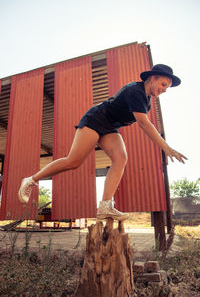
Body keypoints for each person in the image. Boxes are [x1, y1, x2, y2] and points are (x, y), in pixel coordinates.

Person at [18, 64, 187, 221]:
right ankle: (31, 180)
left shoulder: (146, 99)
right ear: (153, 78)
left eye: (167, 87)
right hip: (96, 119)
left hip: (110, 126)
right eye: (163, 84)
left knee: (120, 159)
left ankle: (105, 206)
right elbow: (143, 123)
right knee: (73, 161)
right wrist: (166, 147)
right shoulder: (136, 91)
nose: (164, 90)